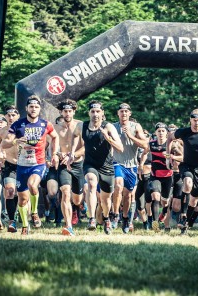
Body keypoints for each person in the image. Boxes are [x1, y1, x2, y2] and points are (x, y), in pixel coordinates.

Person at [4, 95, 59, 235]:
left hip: (38, 164)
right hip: (22, 165)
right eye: (31, 107)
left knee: (33, 185)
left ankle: (34, 213)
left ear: (39, 109)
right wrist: (16, 141)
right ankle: (24, 225)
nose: (33, 109)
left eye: (36, 107)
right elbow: (5, 143)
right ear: (26, 108)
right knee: (22, 199)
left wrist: (54, 154)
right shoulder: (18, 125)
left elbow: (55, 137)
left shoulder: (46, 124)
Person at [70, 100, 123, 234]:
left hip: (106, 167)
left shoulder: (109, 127)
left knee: (105, 200)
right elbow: (75, 135)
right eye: (93, 111)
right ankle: (92, 218)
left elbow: (120, 148)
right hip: (90, 164)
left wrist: (107, 138)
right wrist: (72, 152)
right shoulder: (82, 126)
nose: (95, 114)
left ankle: (106, 218)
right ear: (89, 113)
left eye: (98, 111)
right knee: (91, 184)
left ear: (102, 113)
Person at [167, 109, 198, 235]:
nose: (196, 123)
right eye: (194, 120)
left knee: (194, 201)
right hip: (186, 165)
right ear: (190, 120)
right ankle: (183, 214)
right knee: (187, 183)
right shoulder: (184, 132)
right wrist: (167, 156)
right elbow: (169, 137)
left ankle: (185, 224)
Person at [112, 103, 148, 233]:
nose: (124, 114)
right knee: (118, 184)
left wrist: (130, 136)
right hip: (116, 162)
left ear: (130, 113)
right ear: (118, 113)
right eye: (121, 111)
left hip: (131, 166)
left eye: (126, 111)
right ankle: (115, 215)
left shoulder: (135, 126)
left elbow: (145, 145)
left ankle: (126, 218)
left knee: (128, 196)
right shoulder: (113, 126)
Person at [54, 99, 85, 236]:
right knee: (65, 193)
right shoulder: (55, 128)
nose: (67, 113)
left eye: (70, 111)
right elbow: (51, 148)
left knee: (77, 200)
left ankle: (76, 209)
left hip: (78, 164)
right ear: (61, 112)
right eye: (65, 111)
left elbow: (85, 147)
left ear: (74, 112)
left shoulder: (80, 126)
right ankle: (68, 226)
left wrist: (73, 155)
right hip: (63, 165)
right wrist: (55, 155)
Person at [140, 123, 173, 232]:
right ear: (155, 133)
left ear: (167, 133)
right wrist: (141, 165)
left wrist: (168, 156)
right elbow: (145, 153)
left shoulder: (171, 144)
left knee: (165, 202)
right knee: (155, 197)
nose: (161, 133)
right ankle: (155, 225)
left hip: (168, 176)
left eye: (163, 131)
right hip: (155, 176)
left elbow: (181, 156)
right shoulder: (151, 144)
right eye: (158, 131)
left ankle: (163, 212)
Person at [0, 105, 21, 232]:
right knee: (10, 192)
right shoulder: (2, 131)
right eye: (8, 115)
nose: (11, 117)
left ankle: (25, 220)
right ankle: (11, 221)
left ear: (18, 116)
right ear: (6, 117)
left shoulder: (25, 128)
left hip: (24, 164)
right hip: (9, 165)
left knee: (21, 195)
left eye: (13, 115)